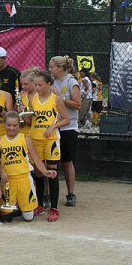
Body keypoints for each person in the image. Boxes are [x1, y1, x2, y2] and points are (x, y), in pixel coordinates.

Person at [23, 71, 70, 222]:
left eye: (40, 85)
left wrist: (53, 126)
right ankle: (40, 204)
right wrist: (23, 114)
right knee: (38, 173)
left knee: (52, 172)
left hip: (50, 140)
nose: (37, 87)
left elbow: (66, 120)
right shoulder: (33, 99)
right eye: (35, 84)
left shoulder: (56, 99)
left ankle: (54, 208)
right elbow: (31, 121)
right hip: (36, 138)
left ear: (49, 84)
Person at [0, 112, 57, 223]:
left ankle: (22, 206)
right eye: (9, 125)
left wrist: (45, 172)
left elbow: (36, 159)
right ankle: (15, 206)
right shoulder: (0, 141)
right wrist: (1, 170)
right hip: (8, 181)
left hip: (24, 179)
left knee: (29, 217)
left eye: (15, 125)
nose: (12, 128)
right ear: (4, 124)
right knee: (5, 218)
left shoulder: (25, 139)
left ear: (19, 125)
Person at [49, 56, 81, 207]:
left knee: (67, 161)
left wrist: (60, 98)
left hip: (68, 127)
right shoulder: (52, 82)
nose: (50, 69)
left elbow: (78, 104)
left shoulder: (71, 82)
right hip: (54, 126)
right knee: (51, 162)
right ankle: (49, 195)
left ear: (60, 68)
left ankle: (71, 193)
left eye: (52, 67)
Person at [17, 67, 40, 137]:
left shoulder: (40, 95)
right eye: (21, 84)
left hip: (38, 132)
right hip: (23, 132)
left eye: (26, 84)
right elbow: (15, 112)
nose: (23, 87)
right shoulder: (21, 95)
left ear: (34, 82)